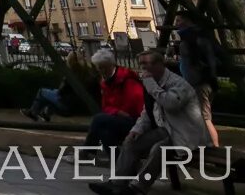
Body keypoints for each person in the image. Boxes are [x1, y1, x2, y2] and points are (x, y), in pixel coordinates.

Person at [89, 49, 208, 195]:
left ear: (159, 64)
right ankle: (116, 183)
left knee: (159, 148)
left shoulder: (178, 84)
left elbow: (170, 104)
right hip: (167, 130)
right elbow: (147, 112)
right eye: (141, 64)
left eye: (147, 63)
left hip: (186, 134)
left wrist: (151, 86)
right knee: (131, 142)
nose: (143, 67)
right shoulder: (153, 84)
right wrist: (136, 130)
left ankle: (137, 188)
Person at [172, 13, 221, 147]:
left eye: (179, 20)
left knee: (204, 117)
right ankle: (205, 144)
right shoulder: (202, 35)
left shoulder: (190, 39)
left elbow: (191, 63)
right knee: (201, 116)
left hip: (198, 82)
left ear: (187, 21)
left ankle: (215, 146)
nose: (176, 23)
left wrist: (192, 80)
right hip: (206, 80)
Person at [86, 48, 144, 149]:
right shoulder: (105, 83)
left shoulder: (127, 80)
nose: (102, 71)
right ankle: (117, 158)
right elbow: (105, 106)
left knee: (98, 119)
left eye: (104, 67)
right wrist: (117, 112)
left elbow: (138, 103)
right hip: (119, 117)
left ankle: (87, 150)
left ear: (111, 65)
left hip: (134, 119)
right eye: (99, 68)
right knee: (103, 131)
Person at [24, 49, 96, 122]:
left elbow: (61, 92)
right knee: (52, 94)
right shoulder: (86, 72)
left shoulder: (70, 74)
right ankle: (46, 114)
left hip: (67, 106)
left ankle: (33, 112)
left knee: (42, 92)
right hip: (80, 106)